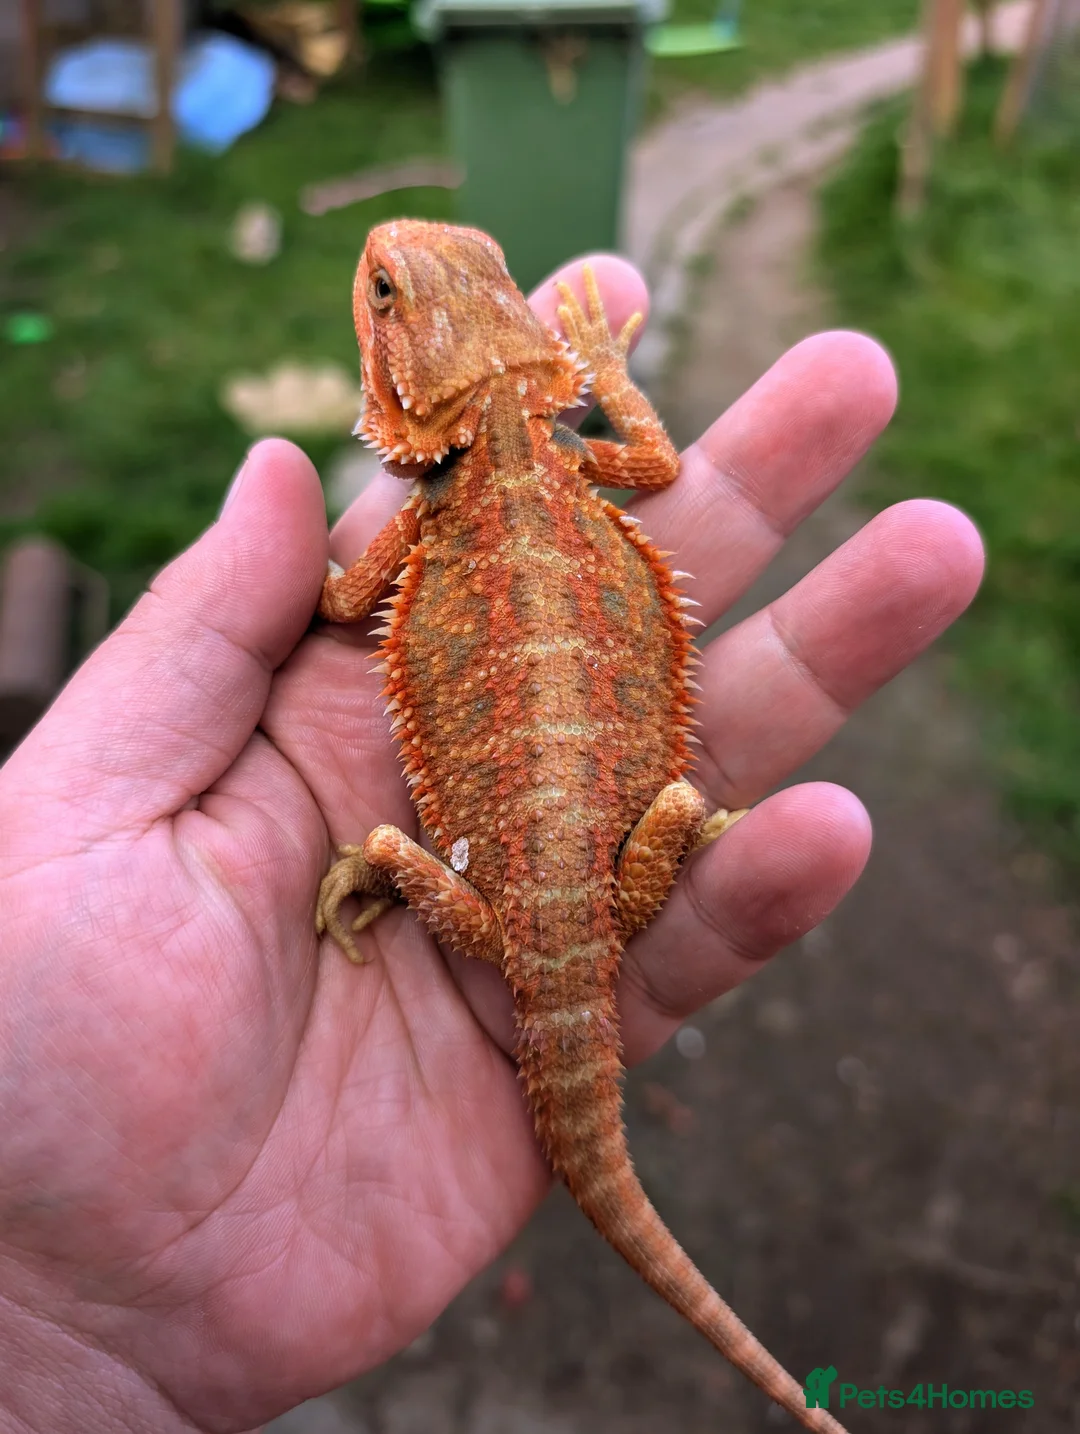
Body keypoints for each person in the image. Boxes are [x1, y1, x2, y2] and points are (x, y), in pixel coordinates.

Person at [0, 257, 983, 1433]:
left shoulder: (419, 521)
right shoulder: (585, 465)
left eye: (390, 303)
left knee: (486, 835)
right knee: (667, 812)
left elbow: (340, 602)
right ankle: (400, 859)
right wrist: (611, 377)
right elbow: (658, 466)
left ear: (417, 390)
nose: (381, 293)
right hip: (606, 891)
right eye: (388, 294)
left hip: (504, 908)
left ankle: (387, 863)